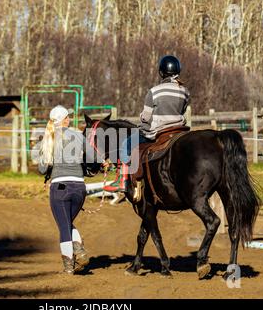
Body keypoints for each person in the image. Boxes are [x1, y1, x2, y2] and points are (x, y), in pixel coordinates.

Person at [103, 55, 190, 193]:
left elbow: (146, 117)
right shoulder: (185, 92)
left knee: (126, 145)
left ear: (161, 72)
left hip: (158, 131)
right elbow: (182, 111)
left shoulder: (154, 92)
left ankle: (122, 180)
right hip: (178, 130)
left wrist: (142, 117)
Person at [37, 105, 90, 275]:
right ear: (65, 119)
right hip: (79, 187)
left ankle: (69, 267)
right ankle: (79, 250)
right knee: (66, 223)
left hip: (59, 188)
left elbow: (42, 169)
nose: (70, 119)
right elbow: (93, 157)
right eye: (68, 117)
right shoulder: (78, 136)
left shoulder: (47, 139)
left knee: (64, 226)